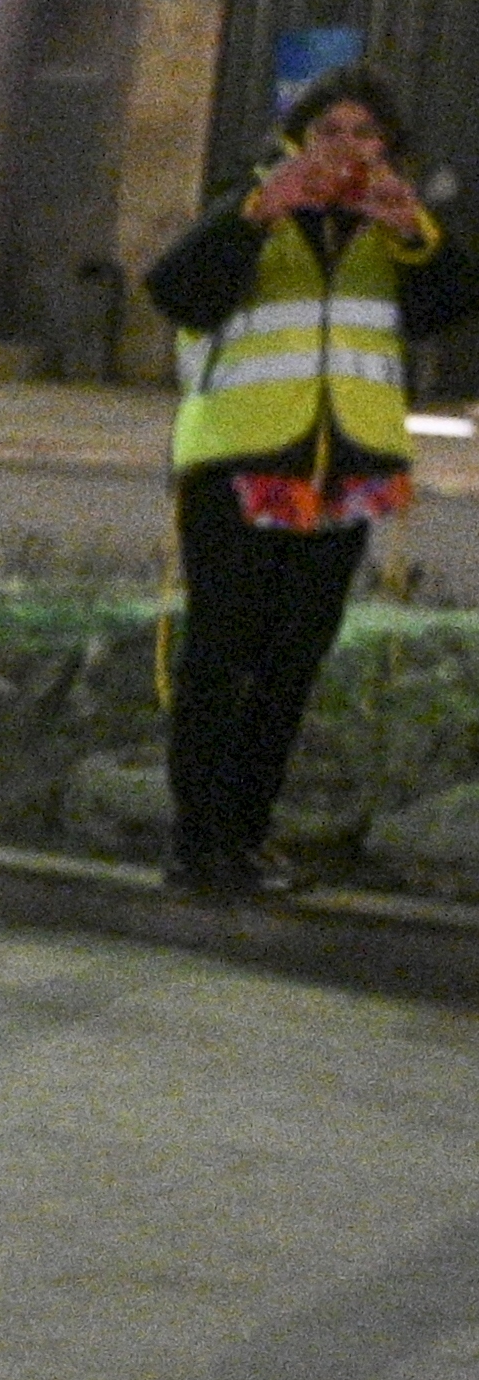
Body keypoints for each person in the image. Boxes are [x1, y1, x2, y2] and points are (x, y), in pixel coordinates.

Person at [142, 66, 479, 904]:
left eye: (365, 134)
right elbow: (174, 291)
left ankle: (246, 837)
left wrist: (416, 232)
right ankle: (197, 840)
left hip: (343, 473)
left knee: (290, 664)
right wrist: (260, 211)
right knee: (219, 657)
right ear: (296, 139)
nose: (346, 149)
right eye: (328, 132)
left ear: (387, 148)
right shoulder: (247, 205)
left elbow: (449, 303)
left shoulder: (391, 228)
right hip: (240, 462)